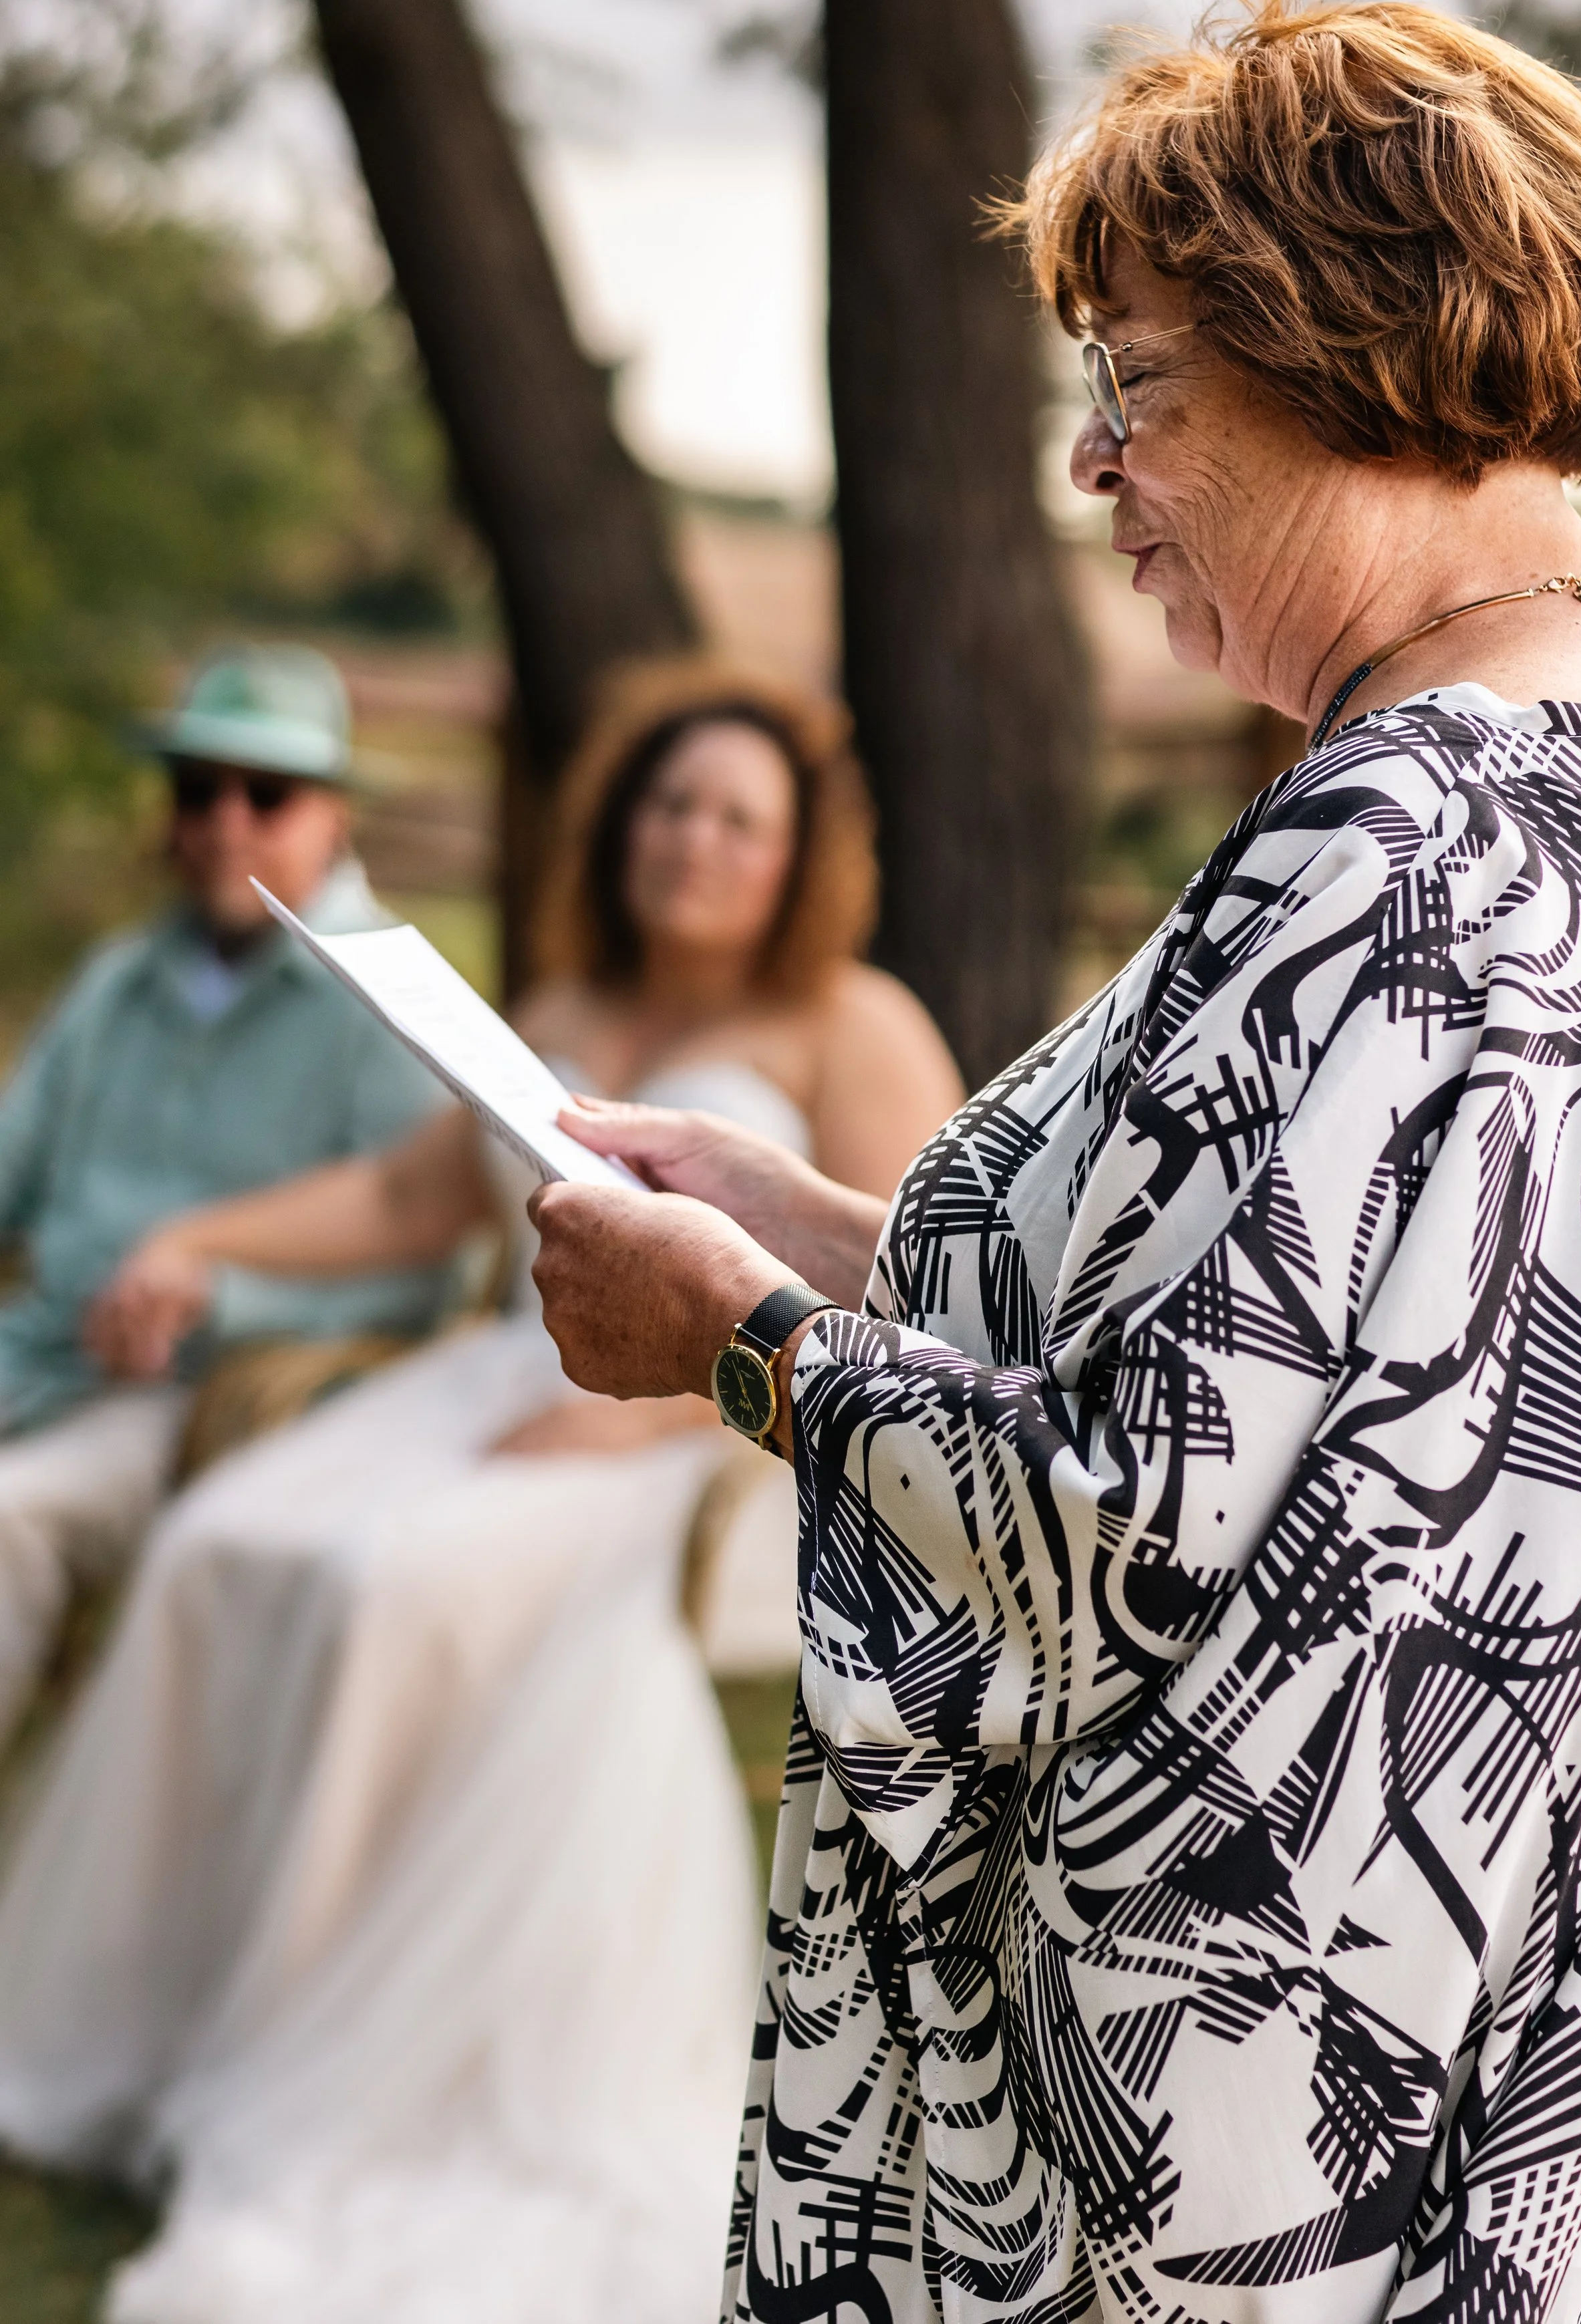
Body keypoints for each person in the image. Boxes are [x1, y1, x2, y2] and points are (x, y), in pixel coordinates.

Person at [527, 0, 1581, 2323]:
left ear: (1337, 349)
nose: (1090, 463)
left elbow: (1132, 1530)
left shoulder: (1388, 832)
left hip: (1246, 2083)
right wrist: (832, 1232)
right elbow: (1350, 1349)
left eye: (1136, 384)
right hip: (1533, 1977)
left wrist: (740, 1346)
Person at [0, 662, 962, 2324]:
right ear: (620, 825)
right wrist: (201, 1238)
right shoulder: (568, 996)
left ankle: (315, 2042)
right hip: (495, 1387)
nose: (694, 839)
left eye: (737, 817)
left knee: (394, 1588)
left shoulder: (850, 1024)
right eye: (669, 805)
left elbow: (909, 1292)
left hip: (704, 1433)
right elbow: (403, 1199)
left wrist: (669, 1414)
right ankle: (163, 2025)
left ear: (798, 852)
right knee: (221, 1543)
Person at [0, 644, 446, 1747]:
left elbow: (419, 1271)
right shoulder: (118, 979)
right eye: (199, 789)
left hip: (201, 1405)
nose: (226, 821)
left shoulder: (387, 996)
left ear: (336, 812)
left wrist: (222, 1304)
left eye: (268, 792)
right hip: (33, 1353)